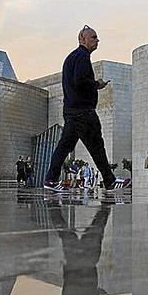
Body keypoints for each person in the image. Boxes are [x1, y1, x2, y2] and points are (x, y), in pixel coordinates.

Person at [43, 25, 120, 192]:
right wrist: (96, 84)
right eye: (93, 37)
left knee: (72, 146)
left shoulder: (72, 57)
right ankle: (109, 181)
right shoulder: (82, 56)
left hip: (73, 110)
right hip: (82, 111)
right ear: (82, 39)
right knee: (94, 146)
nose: (97, 40)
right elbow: (80, 81)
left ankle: (51, 180)